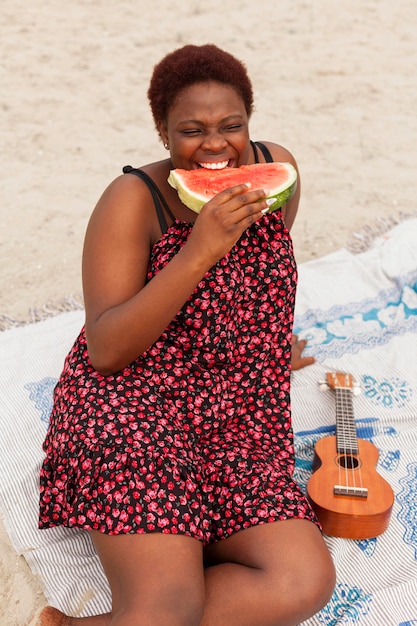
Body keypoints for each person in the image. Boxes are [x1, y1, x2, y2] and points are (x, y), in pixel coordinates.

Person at [37, 44, 334, 626]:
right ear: (162, 132)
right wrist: (199, 251)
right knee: (168, 606)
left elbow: (260, 271)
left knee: (303, 582)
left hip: (235, 418)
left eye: (232, 126)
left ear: (251, 119)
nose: (216, 144)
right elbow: (107, 348)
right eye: (192, 130)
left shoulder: (278, 173)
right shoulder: (131, 201)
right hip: (131, 407)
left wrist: (265, 348)